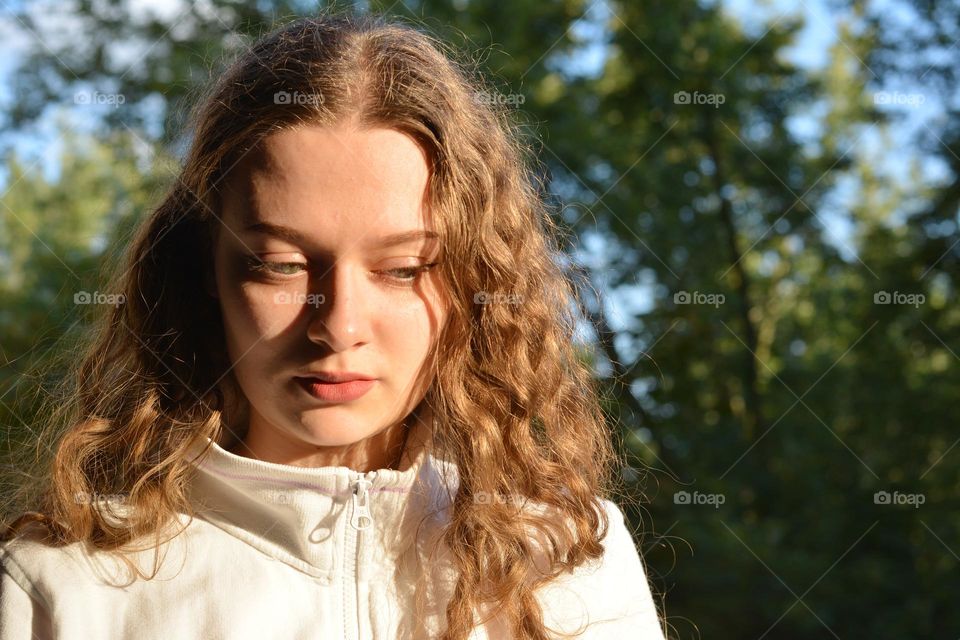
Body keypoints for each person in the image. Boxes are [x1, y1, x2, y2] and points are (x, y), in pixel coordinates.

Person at [0, 11, 666, 640]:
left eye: (405, 269)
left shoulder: (572, 564)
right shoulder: (57, 587)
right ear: (206, 273)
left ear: (473, 283)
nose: (339, 325)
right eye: (282, 266)